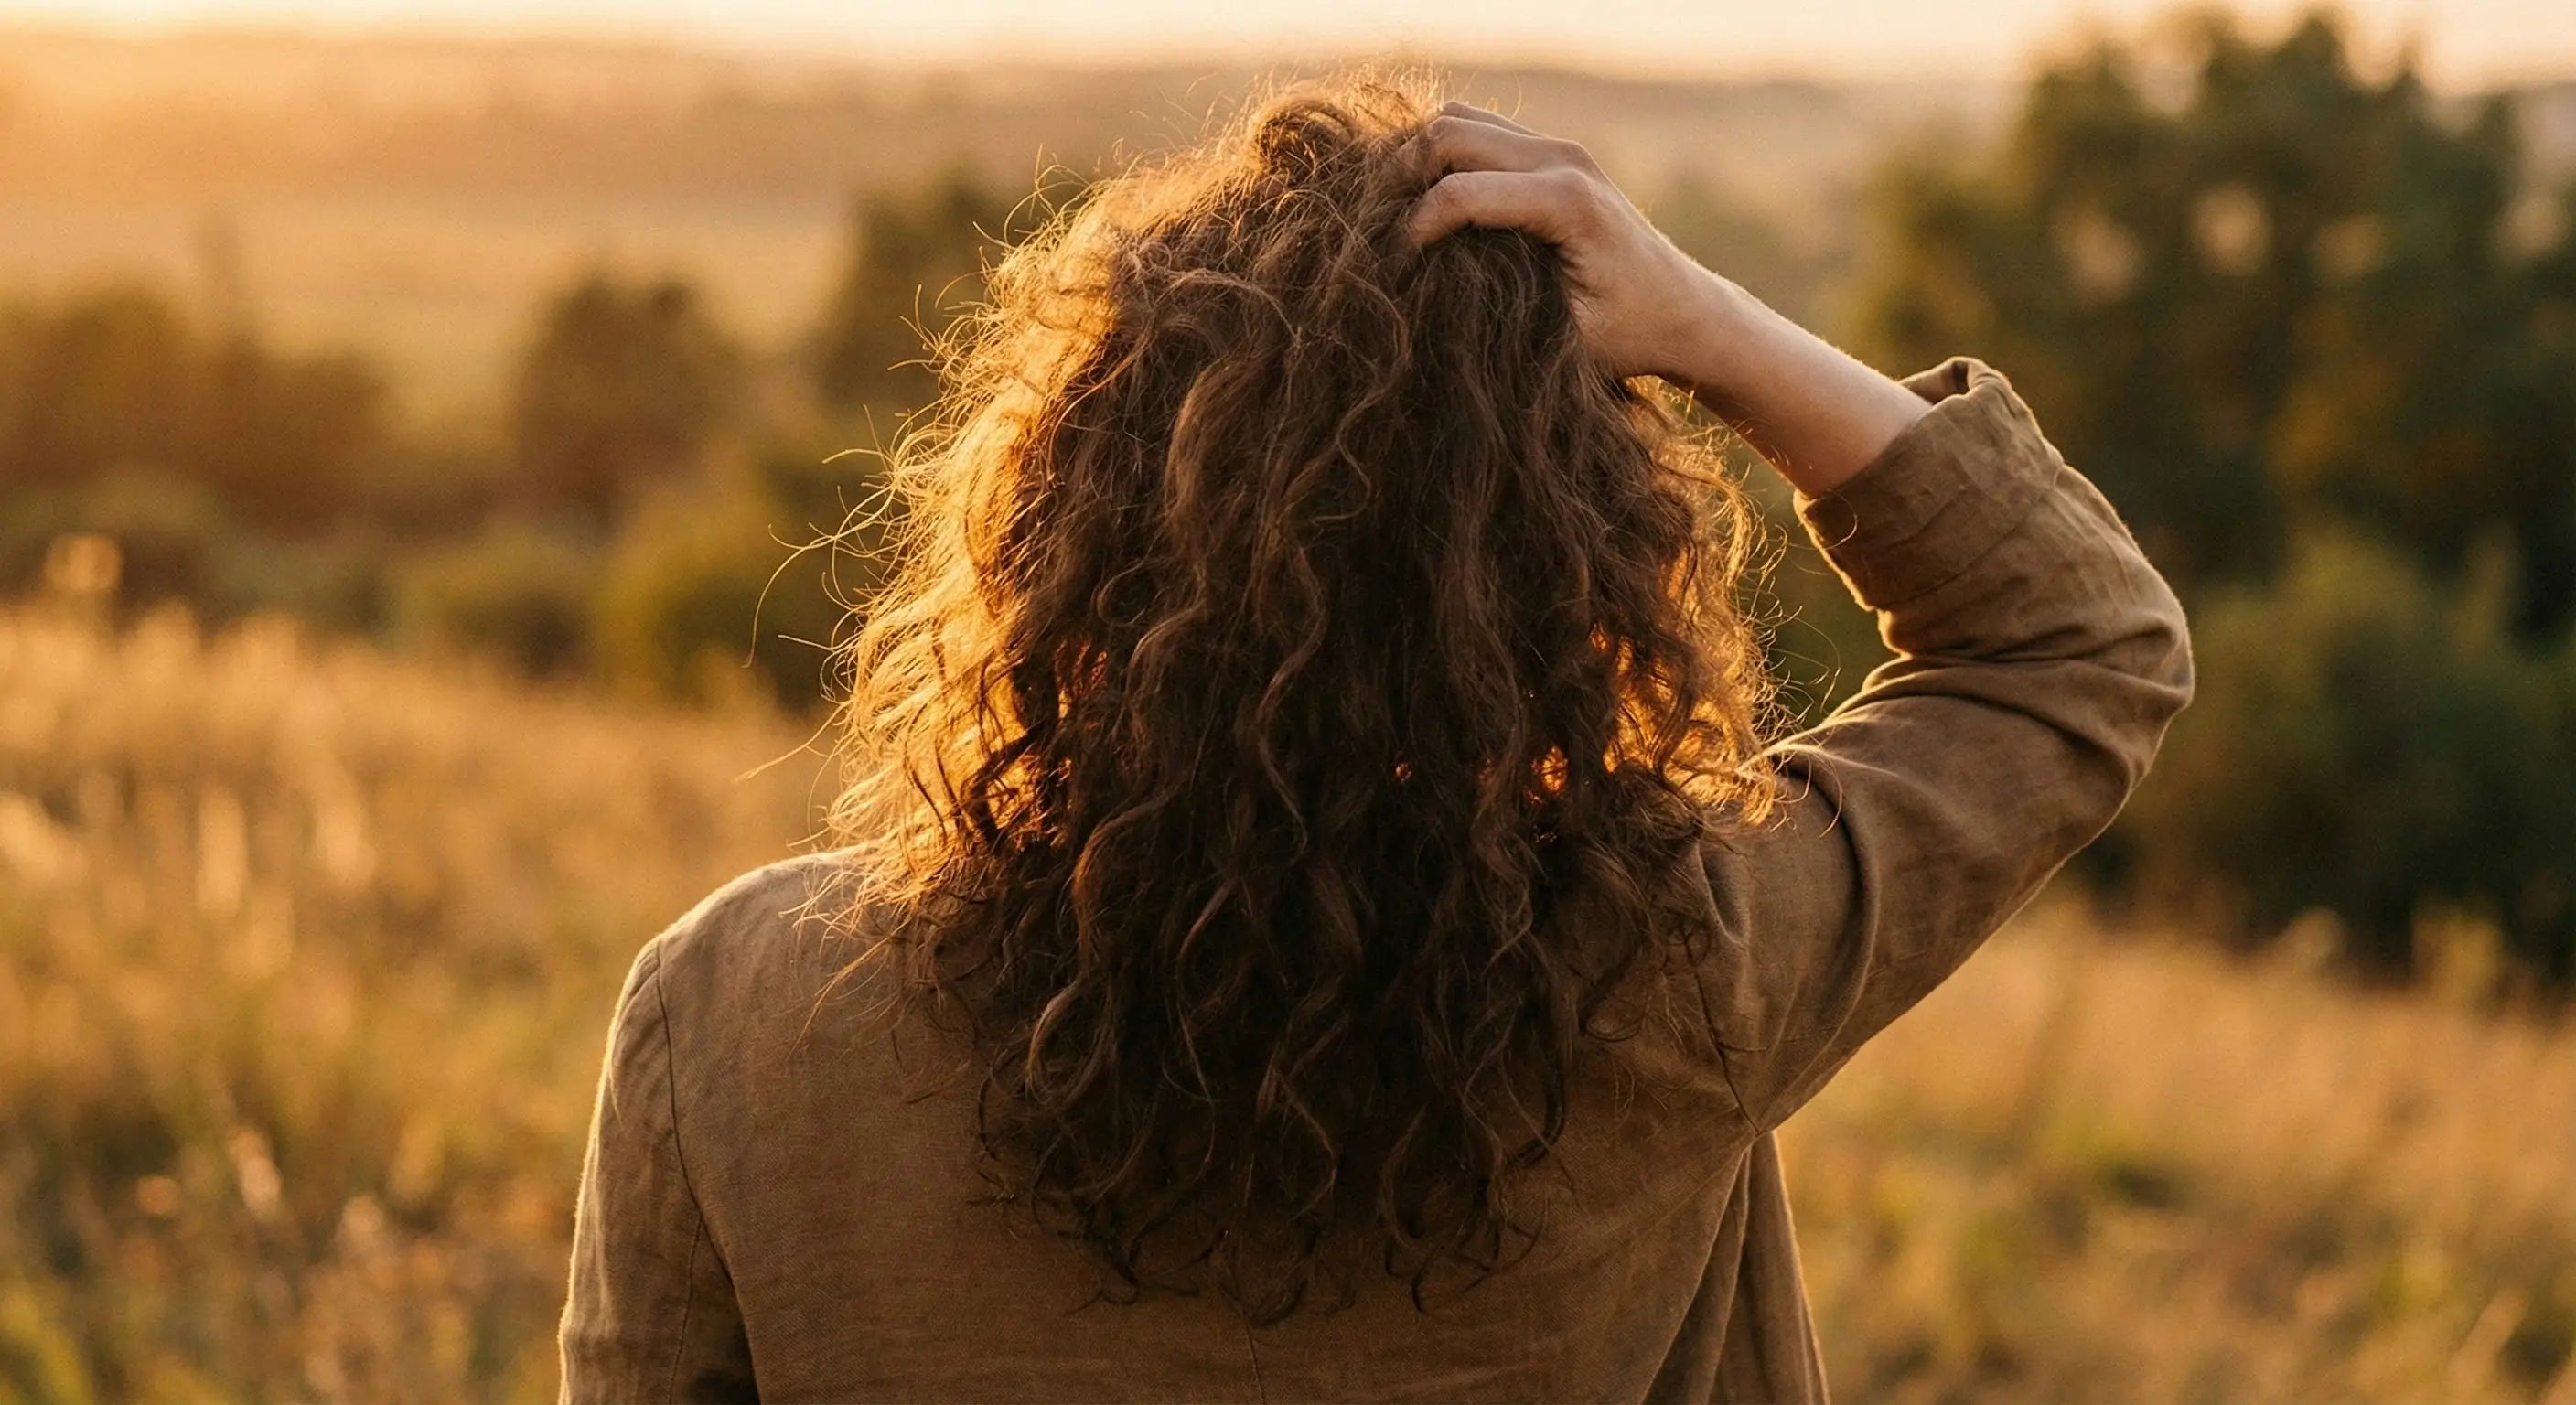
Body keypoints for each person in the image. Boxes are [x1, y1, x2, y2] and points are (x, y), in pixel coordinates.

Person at [560, 79, 2192, 1404]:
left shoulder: (738, 1019)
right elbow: (2078, 640)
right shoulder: (1677, 971)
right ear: (1568, 572)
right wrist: (1702, 322)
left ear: (1061, 525)